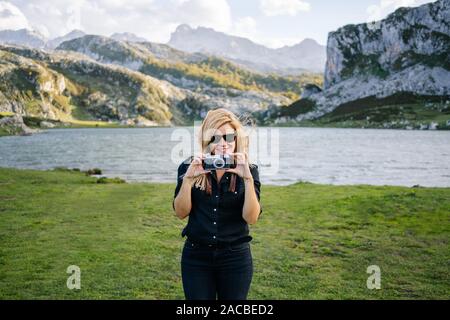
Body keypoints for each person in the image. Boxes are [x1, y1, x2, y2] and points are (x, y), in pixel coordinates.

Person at [173, 108, 262, 300]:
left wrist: (246, 178)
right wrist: (188, 179)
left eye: (229, 137)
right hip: (196, 256)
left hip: (236, 258)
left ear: (237, 138)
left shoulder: (249, 170)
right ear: (207, 140)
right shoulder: (190, 166)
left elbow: (251, 218)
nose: (223, 144)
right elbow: (180, 213)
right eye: (216, 138)